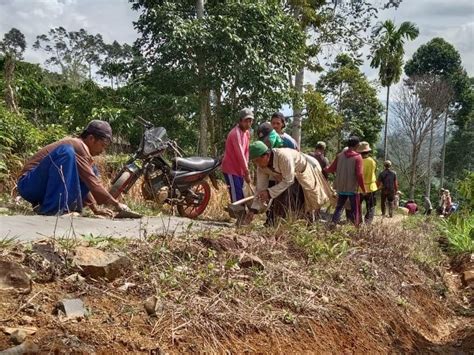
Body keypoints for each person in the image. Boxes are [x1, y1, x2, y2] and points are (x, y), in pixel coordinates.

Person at [17, 120, 130, 216]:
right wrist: (117, 204)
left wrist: (95, 210)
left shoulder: (82, 154)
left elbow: (86, 179)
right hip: (28, 185)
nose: (102, 151)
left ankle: (51, 206)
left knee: (92, 169)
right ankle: (53, 210)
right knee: (66, 151)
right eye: (102, 145)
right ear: (91, 138)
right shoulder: (77, 145)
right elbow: (92, 182)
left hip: (41, 189)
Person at [243, 141, 331, 225]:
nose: (256, 164)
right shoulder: (261, 167)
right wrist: (253, 210)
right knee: (276, 197)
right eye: (254, 162)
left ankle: (301, 222)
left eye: (257, 161)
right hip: (285, 179)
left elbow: (288, 180)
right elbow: (260, 190)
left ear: (266, 155)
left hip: (302, 174)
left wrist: (269, 193)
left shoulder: (284, 157)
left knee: (295, 201)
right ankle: (273, 222)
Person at [325, 136, 366, 226]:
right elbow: (359, 174)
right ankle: (356, 227)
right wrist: (363, 188)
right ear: (357, 145)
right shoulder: (358, 157)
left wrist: (324, 169)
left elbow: (331, 169)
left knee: (339, 207)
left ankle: (333, 223)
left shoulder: (340, 156)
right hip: (352, 189)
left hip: (341, 187)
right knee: (355, 208)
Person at [221, 108, 253, 203]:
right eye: (245, 121)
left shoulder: (246, 133)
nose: (248, 124)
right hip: (231, 169)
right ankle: (238, 214)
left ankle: (241, 215)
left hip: (240, 170)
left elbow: (246, 152)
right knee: (236, 194)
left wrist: (245, 170)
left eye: (250, 121)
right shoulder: (235, 134)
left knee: (241, 193)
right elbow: (240, 154)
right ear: (240, 121)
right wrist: (247, 172)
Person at [357, 142, 377, 224]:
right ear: (368, 151)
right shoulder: (372, 161)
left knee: (358, 206)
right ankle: (368, 222)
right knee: (371, 206)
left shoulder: (358, 161)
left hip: (359, 188)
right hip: (371, 187)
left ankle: (358, 221)